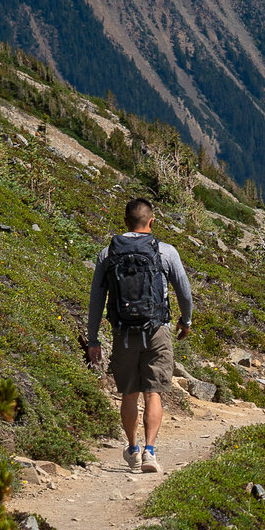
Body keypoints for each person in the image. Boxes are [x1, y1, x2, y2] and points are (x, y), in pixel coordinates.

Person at [83, 197, 194, 474]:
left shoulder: (107, 254)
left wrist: (93, 340)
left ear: (125, 222)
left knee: (129, 394)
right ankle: (150, 452)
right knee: (153, 392)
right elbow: (184, 292)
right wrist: (186, 321)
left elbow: (97, 300)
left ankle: (132, 449)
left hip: (122, 333)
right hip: (157, 330)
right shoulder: (166, 252)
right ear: (152, 221)